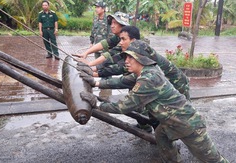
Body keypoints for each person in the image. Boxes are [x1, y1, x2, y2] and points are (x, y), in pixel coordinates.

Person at [79, 41, 229, 162]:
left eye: (130, 57)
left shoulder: (148, 79)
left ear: (141, 59)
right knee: (161, 135)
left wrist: (97, 105)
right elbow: (123, 81)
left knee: (212, 159)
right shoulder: (147, 71)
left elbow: (123, 106)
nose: (126, 61)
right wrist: (95, 82)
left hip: (188, 124)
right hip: (171, 122)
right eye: (126, 57)